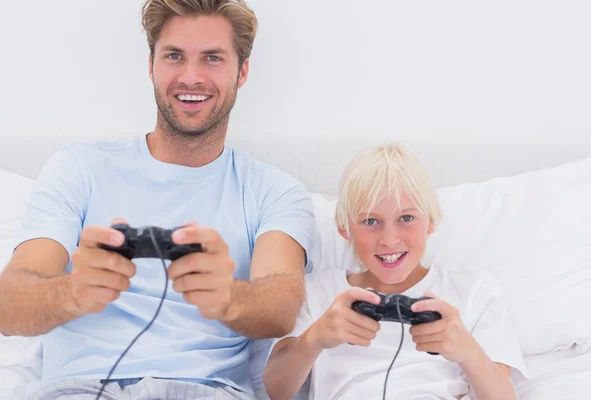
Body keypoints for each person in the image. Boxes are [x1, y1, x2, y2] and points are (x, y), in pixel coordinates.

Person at [0, 1, 315, 399]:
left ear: (243, 72)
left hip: (209, 390)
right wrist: (74, 291)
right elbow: (9, 306)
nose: (191, 77)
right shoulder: (78, 168)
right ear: (151, 65)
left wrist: (227, 296)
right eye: (174, 56)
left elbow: (283, 306)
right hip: (83, 388)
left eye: (213, 58)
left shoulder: (275, 191)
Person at [263, 143, 528, 400]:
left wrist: (468, 352)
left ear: (432, 220)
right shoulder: (317, 293)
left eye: (406, 218)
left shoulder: (473, 291)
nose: (389, 239)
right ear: (344, 227)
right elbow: (276, 390)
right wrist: (315, 338)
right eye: (370, 221)